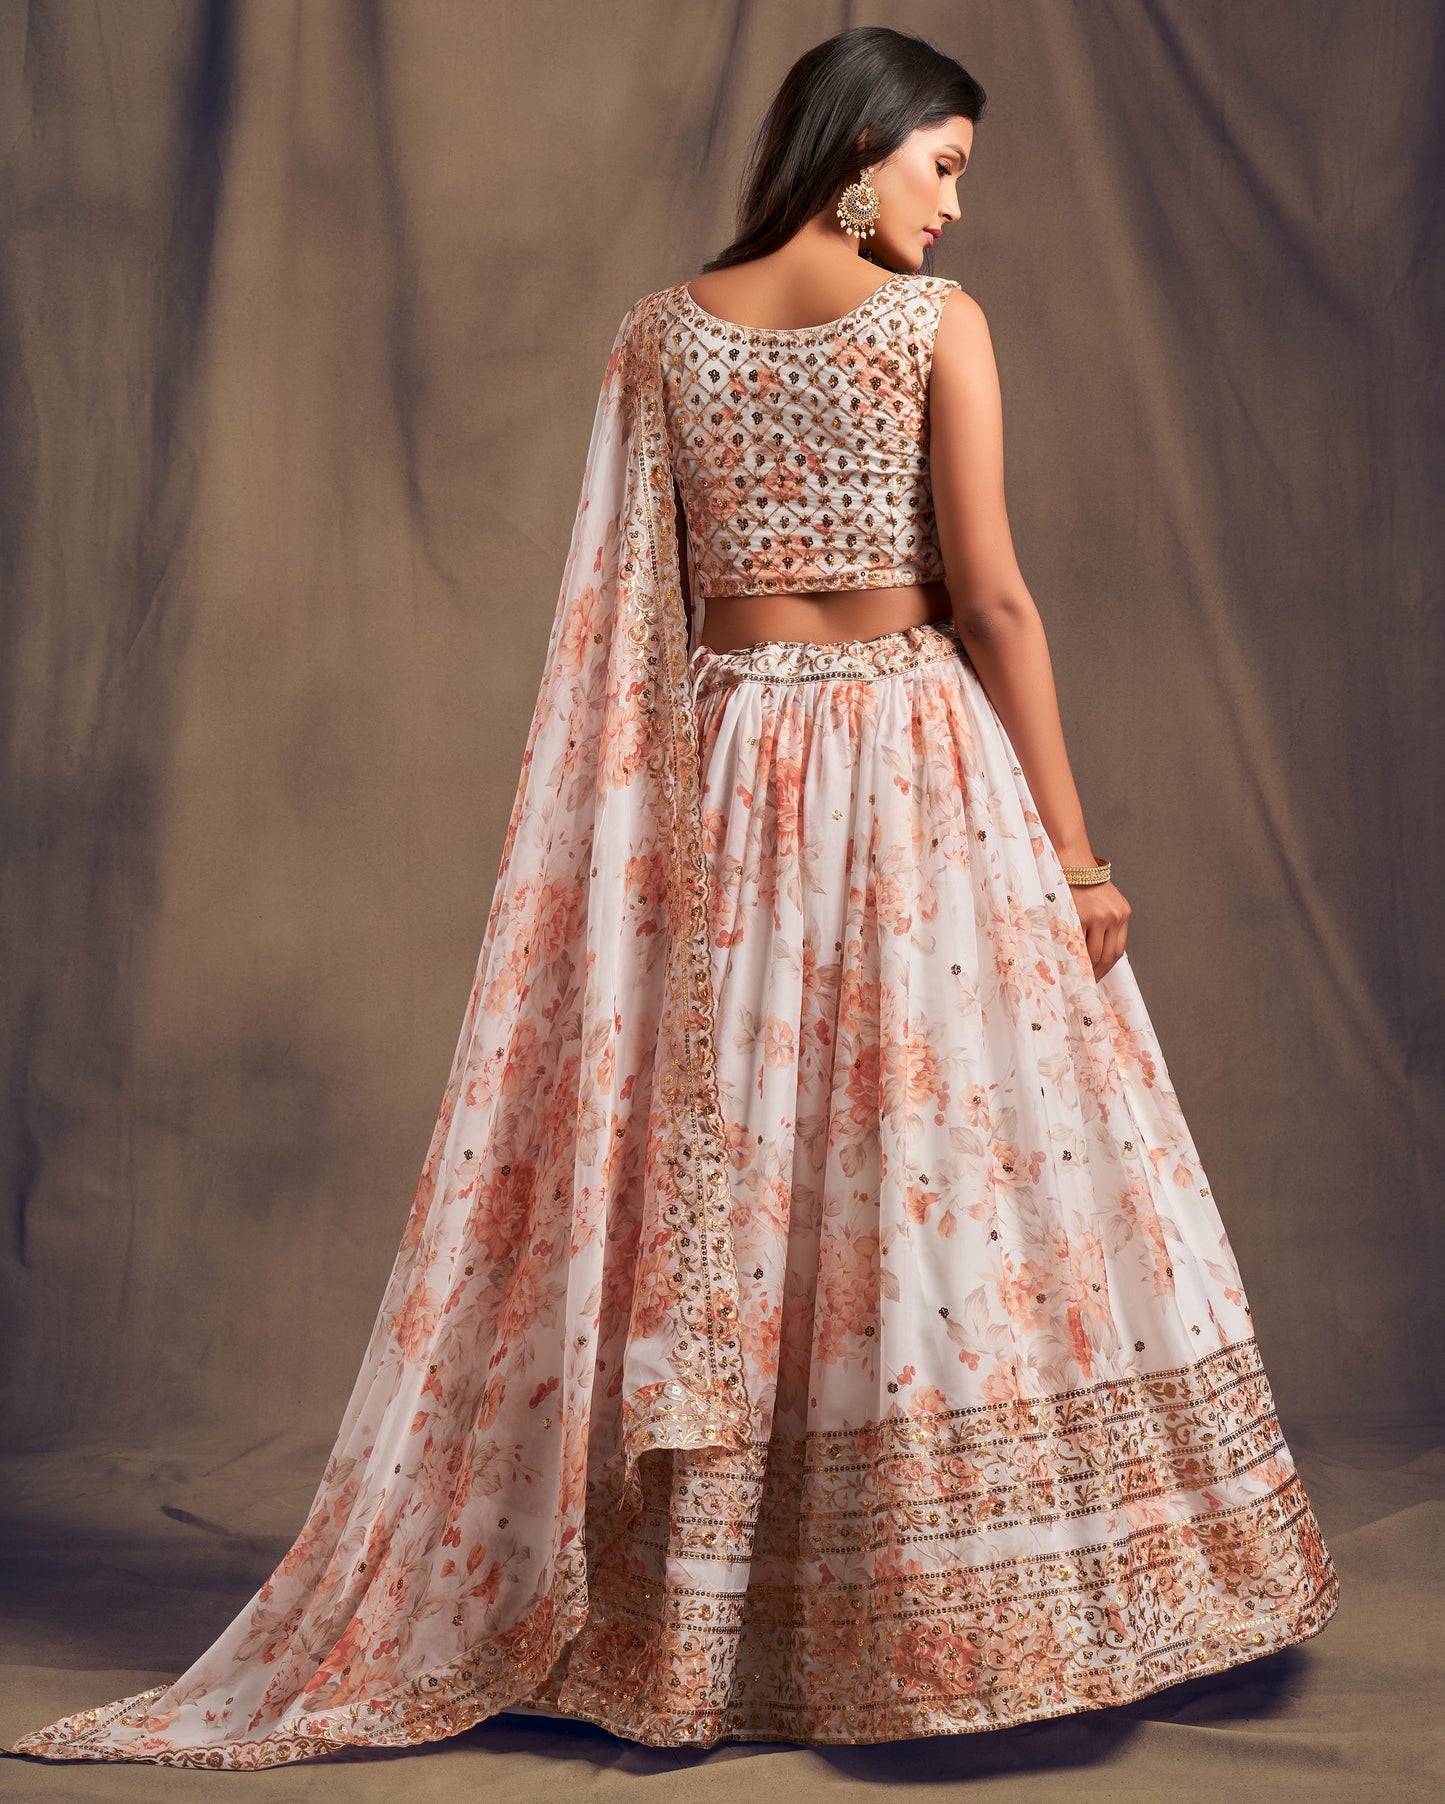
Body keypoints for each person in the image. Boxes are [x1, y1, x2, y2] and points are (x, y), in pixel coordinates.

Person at [7, 24, 1338, 1770]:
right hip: (911, 764)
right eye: (941, 167)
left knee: (742, 1165)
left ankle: (716, 1610)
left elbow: (624, 617)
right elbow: (995, 603)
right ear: (859, 155)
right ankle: (934, 1617)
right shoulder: (939, 330)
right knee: (926, 1169)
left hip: (720, 780)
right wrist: (1076, 855)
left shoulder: (657, 337)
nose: (952, 210)